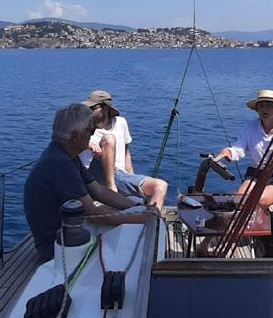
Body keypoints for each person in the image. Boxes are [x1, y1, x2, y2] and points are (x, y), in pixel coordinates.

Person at [23, 102, 148, 263]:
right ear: (75, 136)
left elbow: (99, 191)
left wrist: (136, 207)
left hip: (70, 230)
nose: (94, 133)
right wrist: (139, 218)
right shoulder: (60, 164)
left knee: (134, 206)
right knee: (130, 236)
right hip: (57, 245)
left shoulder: (67, 155)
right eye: (91, 130)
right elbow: (92, 212)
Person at [211, 88, 273, 207]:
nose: (264, 109)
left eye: (269, 105)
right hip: (255, 174)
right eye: (261, 106)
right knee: (239, 199)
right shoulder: (250, 128)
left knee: (259, 199)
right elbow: (239, 148)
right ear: (257, 109)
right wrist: (228, 152)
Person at [81, 89, 168, 209]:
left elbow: (126, 153)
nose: (89, 112)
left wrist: (131, 176)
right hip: (93, 176)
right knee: (109, 139)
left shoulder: (121, 123)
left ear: (105, 108)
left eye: (93, 108)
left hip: (119, 175)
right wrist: (89, 144)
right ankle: (111, 189)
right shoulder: (84, 127)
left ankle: (152, 218)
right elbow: (70, 140)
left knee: (160, 186)